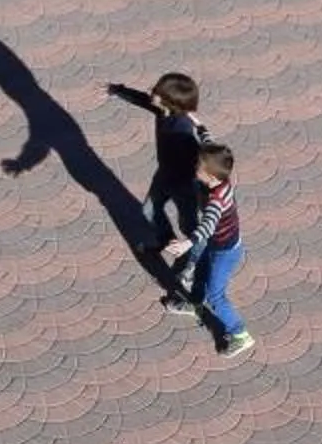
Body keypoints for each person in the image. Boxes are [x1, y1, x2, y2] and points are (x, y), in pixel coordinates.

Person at [162, 143, 254, 361]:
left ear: (210, 176)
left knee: (216, 296)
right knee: (201, 271)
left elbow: (208, 224)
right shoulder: (221, 177)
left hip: (226, 252)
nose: (195, 168)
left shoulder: (216, 200)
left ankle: (241, 334)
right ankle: (194, 303)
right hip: (217, 244)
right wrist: (198, 124)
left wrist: (187, 243)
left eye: (199, 167)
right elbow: (210, 141)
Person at [109, 72, 213, 256]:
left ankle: (194, 263)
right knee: (149, 210)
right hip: (164, 175)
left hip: (184, 186)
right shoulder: (163, 110)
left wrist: (206, 189)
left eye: (157, 91)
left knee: (189, 227)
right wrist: (119, 90)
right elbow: (143, 100)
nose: (151, 92)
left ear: (170, 102)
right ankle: (168, 242)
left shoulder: (181, 129)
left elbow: (202, 156)